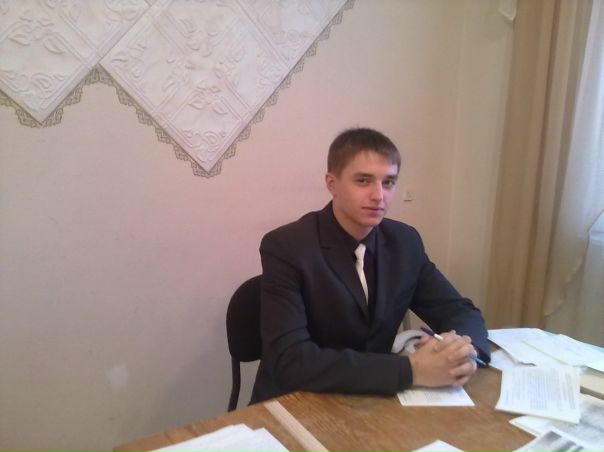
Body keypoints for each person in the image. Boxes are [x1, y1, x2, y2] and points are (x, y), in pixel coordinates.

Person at [250, 127, 490, 404]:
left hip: (372, 400)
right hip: (298, 401)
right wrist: (411, 370)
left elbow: (458, 310)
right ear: (332, 184)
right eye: (363, 181)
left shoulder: (404, 242)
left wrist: (464, 353)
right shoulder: (287, 246)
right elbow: (291, 361)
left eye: (388, 182)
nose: (379, 195)